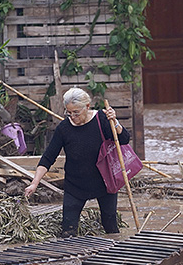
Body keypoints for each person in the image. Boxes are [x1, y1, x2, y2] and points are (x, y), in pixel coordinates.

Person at [24, 87, 130, 237]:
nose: (72, 116)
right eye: (69, 113)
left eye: (76, 113)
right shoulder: (64, 128)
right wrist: (34, 183)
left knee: (110, 226)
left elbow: (124, 139)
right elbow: (48, 157)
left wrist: (115, 122)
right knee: (68, 230)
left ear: (87, 107)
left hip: (104, 182)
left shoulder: (102, 119)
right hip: (76, 185)